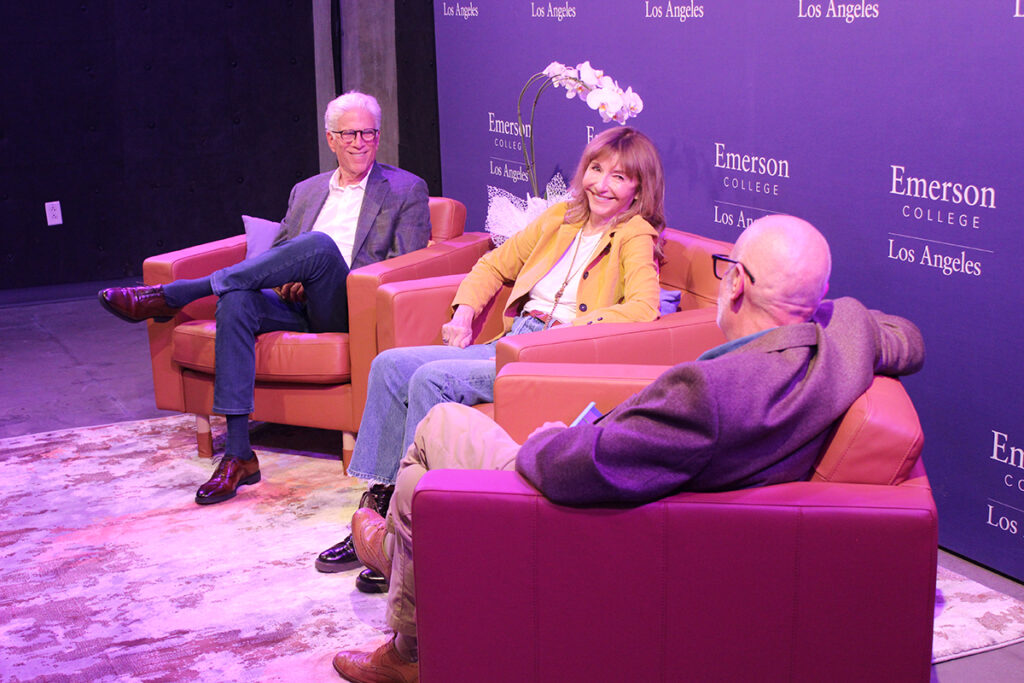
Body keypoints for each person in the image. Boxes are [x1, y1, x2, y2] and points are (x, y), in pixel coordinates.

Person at [330, 214, 925, 683]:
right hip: (645, 483)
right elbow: (905, 337)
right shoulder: (831, 351)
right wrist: (831, 316)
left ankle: (404, 602)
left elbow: (576, 471)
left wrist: (548, 443)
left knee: (437, 427)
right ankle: (406, 573)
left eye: (726, 269)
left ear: (737, 281)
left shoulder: (709, 396)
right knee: (417, 484)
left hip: (575, 502)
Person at [314, 127, 667, 588]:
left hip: (546, 352)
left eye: (619, 178)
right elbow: (493, 264)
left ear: (638, 188)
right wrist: (463, 315)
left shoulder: (633, 234)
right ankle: (378, 503)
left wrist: (568, 330)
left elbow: (643, 308)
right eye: (596, 170)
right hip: (510, 338)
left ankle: (414, 533)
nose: (602, 185)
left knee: (431, 379)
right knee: (390, 365)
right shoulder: (562, 217)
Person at [98, 91, 431, 506]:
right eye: (350, 133)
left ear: (378, 137)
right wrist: (287, 281)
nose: (360, 141)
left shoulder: (406, 189)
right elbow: (281, 255)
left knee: (320, 246)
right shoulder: (307, 191)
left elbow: (407, 266)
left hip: (349, 307)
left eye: (369, 133)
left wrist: (320, 268)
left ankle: (176, 295)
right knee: (236, 300)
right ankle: (239, 454)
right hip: (297, 304)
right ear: (331, 139)